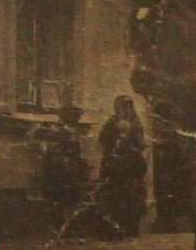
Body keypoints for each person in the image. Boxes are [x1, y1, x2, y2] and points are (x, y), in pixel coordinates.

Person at [33, 104, 91, 235]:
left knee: (71, 200)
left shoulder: (71, 131)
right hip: (61, 173)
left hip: (71, 172)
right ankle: (60, 230)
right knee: (62, 201)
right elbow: (52, 153)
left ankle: (65, 229)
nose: (77, 120)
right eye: (75, 118)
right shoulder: (60, 132)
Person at [97, 94, 149, 237]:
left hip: (130, 168)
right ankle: (114, 228)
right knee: (113, 198)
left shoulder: (136, 123)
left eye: (126, 107)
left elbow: (139, 144)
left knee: (131, 198)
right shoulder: (111, 122)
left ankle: (131, 228)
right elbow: (102, 141)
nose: (123, 111)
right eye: (119, 107)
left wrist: (129, 138)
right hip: (114, 167)